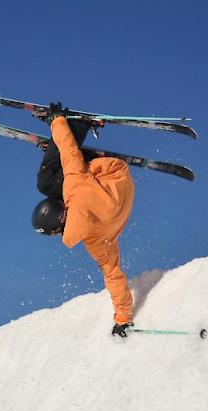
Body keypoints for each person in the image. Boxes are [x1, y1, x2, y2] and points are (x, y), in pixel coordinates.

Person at [32, 109, 136, 338]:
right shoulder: (74, 189)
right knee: (46, 182)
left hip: (123, 202)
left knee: (61, 173)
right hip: (113, 172)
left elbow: (113, 274)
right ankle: (77, 127)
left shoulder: (92, 241)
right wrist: (57, 122)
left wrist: (123, 318)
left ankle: (55, 153)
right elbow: (69, 152)